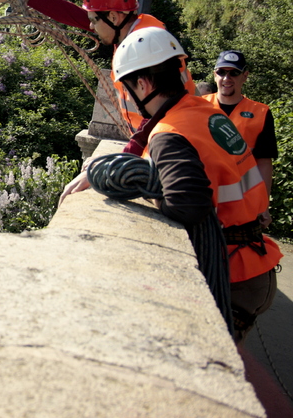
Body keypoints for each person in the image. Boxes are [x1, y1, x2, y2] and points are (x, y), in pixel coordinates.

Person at [110, 27, 283, 344]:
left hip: (235, 273)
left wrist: (154, 194)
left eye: (128, 89)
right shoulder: (203, 110)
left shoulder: (169, 134)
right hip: (253, 257)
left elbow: (189, 205)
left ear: (144, 84)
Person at [0, 0, 196, 135]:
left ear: (113, 16)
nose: (90, 27)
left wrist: (133, 153)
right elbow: (75, 16)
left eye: (94, 20)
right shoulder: (136, 32)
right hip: (163, 137)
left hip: (169, 138)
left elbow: (162, 108)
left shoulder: (142, 46)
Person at [201, 50, 277, 229]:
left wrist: (263, 205)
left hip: (241, 203)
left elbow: (264, 162)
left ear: (245, 76)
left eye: (233, 72)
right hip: (201, 195)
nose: (227, 78)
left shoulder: (261, 113)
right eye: (221, 72)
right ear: (214, 75)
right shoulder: (198, 106)